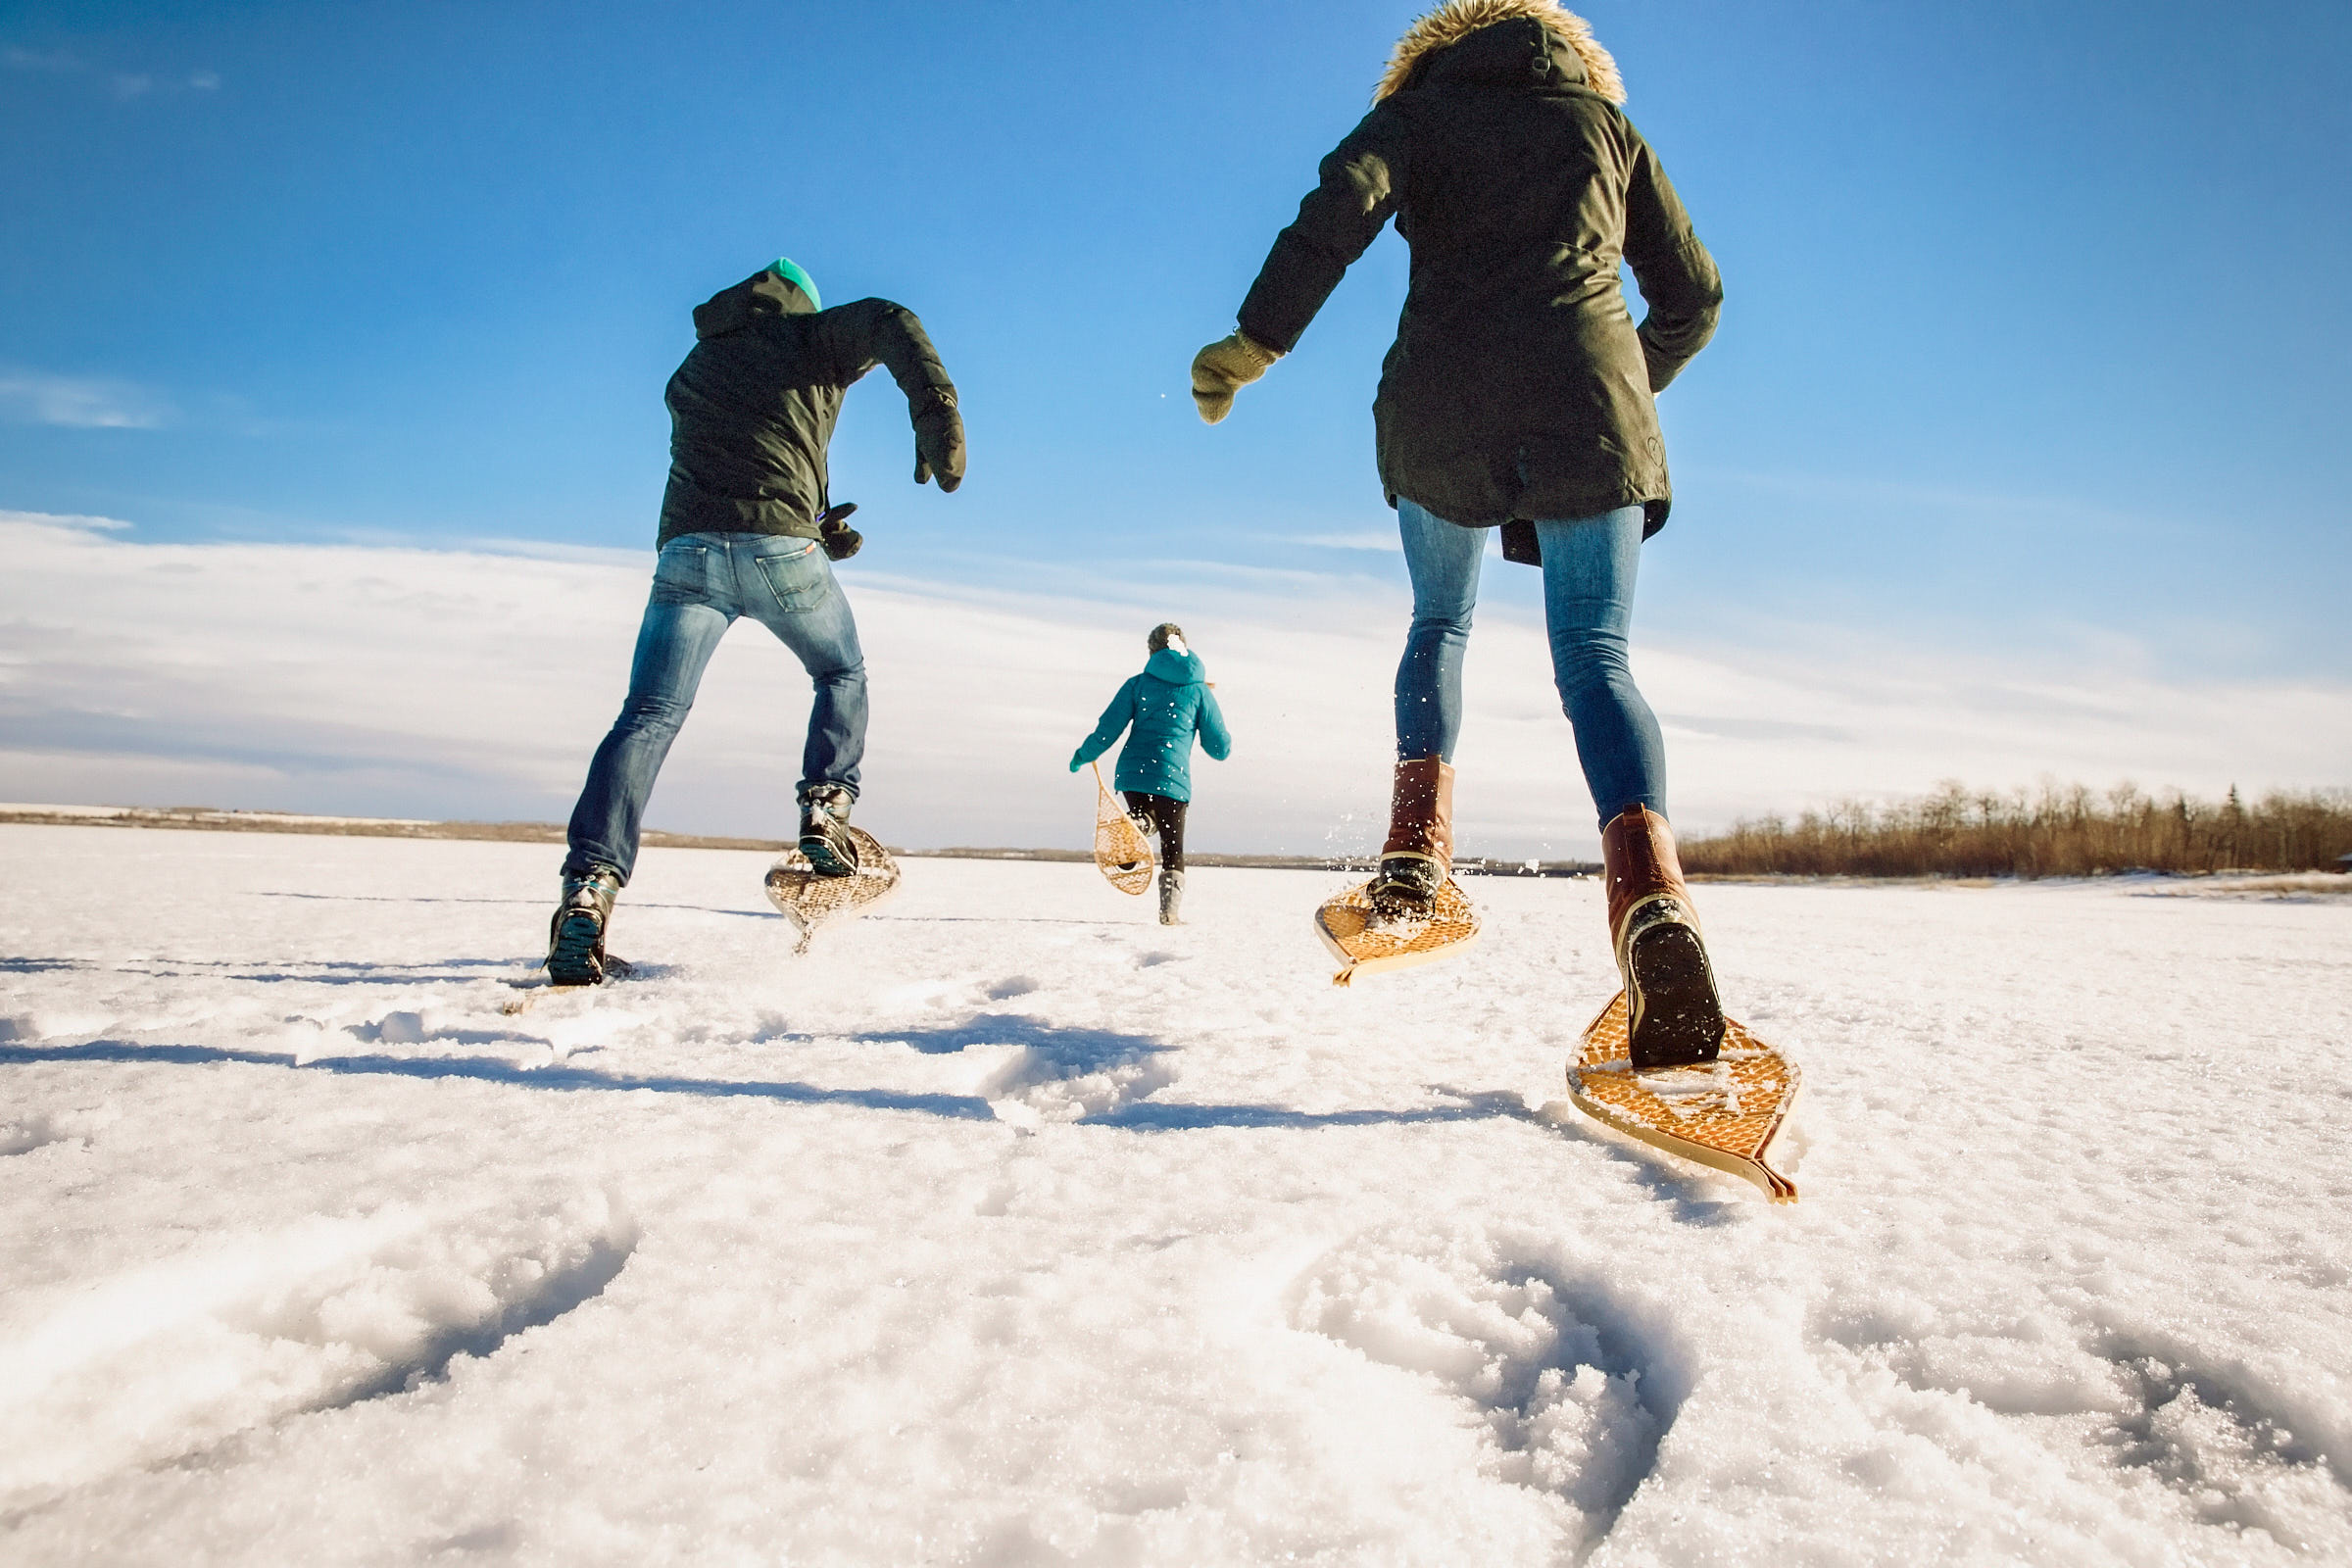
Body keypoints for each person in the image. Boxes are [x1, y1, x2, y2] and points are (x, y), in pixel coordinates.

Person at [1188, 0, 1727, 1067]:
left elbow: (1336, 210)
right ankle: (1653, 902)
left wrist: (1257, 341)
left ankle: (1412, 861)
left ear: (1431, 52)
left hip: (1442, 402)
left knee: (1440, 622)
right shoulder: (1607, 130)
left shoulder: (1418, 116)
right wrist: (1624, 384)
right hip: (1592, 404)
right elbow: (1695, 296)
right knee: (1597, 657)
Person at [548, 257, 966, 984]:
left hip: (688, 556)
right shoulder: (809, 338)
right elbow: (892, 319)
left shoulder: (695, 365)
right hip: (780, 552)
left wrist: (816, 522)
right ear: (800, 308)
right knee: (840, 670)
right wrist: (937, 415)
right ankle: (825, 810)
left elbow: (747, 453)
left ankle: (589, 889)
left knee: (647, 716)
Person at [1069, 623, 1232, 925]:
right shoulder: (1198, 691)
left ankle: (1139, 823)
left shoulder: (1138, 684)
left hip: (1133, 773)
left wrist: (1084, 754)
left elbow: (1108, 728)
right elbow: (1219, 748)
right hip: (1173, 777)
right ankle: (1169, 913)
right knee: (1172, 847)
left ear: (1152, 651)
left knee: (1142, 821)